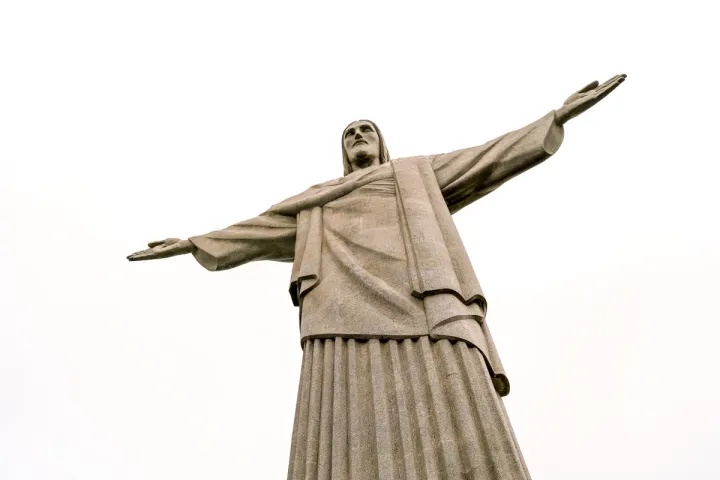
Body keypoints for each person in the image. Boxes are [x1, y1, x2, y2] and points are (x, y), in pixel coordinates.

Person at [128, 74, 626, 480]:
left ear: (381, 142)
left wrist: (556, 117)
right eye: (350, 133)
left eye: (366, 129)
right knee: (344, 412)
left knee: (454, 394)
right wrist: (192, 242)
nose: (358, 136)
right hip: (338, 309)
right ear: (342, 151)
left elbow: (487, 158)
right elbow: (256, 230)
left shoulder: (415, 175)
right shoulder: (316, 201)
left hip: (424, 300)